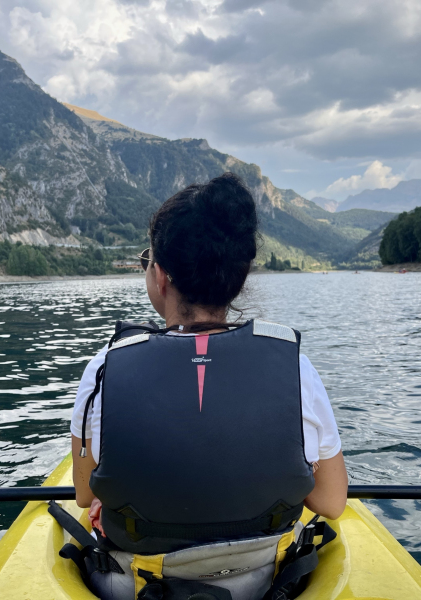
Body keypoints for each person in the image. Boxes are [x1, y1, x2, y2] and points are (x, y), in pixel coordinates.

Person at [66, 173, 347, 600]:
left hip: (137, 588)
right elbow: (331, 501)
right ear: (238, 277)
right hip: (264, 583)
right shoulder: (297, 368)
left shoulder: (104, 370)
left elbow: (86, 494)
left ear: (160, 276)